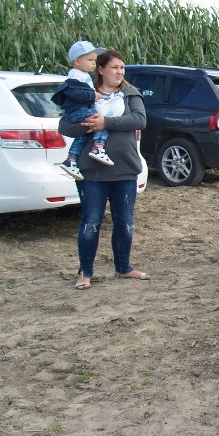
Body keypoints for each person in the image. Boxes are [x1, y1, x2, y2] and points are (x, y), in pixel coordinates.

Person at [58, 50, 150, 290]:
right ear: (100, 69)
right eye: (114, 67)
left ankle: (124, 268)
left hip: (125, 170)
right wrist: (86, 126)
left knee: (125, 223)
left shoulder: (131, 94)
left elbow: (140, 121)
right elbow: (64, 125)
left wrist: (106, 123)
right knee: (91, 223)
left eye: (122, 67)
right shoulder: (85, 94)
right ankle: (85, 273)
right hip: (92, 172)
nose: (119, 72)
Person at [53, 41, 114, 179]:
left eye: (95, 60)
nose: (94, 63)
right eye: (90, 60)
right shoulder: (76, 77)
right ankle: (98, 147)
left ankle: (71, 160)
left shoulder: (83, 75)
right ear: (78, 61)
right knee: (101, 121)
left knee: (83, 135)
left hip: (78, 111)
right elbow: (75, 93)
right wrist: (93, 95)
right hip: (79, 111)